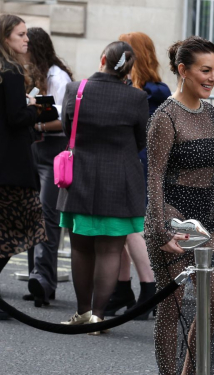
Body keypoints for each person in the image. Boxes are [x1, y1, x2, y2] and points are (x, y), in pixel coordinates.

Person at [145, 36, 214, 375]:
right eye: (205, 70)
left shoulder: (209, 112)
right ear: (183, 70)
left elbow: (210, 169)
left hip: (205, 216)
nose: (212, 78)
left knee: (213, 305)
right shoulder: (164, 117)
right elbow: (154, 179)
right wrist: (159, 229)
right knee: (173, 303)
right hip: (172, 216)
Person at [57, 41, 149, 333]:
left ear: (102, 60)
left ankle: (82, 313)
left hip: (79, 176)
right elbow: (140, 140)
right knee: (110, 250)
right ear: (129, 69)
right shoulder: (137, 98)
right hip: (119, 179)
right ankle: (98, 316)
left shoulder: (76, 89)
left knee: (81, 249)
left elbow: (66, 125)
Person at [104, 32, 171, 320]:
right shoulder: (156, 89)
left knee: (129, 224)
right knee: (121, 223)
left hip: (134, 161)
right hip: (139, 160)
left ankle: (147, 286)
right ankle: (123, 287)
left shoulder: (142, 92)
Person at [21, 27, 73, 307]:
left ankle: (43, 279)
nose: (22, 49)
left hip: (53, 148)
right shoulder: (32, 73)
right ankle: (39, 279)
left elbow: (64, 121)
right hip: (35, 147)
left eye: (26, 44)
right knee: (33, 213)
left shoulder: (57, 77)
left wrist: (35, 120)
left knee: (46, 216)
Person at [0, 14, 46, 320]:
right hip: (12, 169)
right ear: (5, 39)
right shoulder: (12, 72)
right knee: (22, 228)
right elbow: (15, 118)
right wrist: (36, 109)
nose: (26, 39)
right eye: (20, 34)